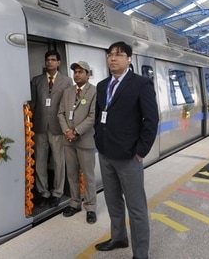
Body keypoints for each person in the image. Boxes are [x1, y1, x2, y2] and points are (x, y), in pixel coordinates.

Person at [93, 41, 159, 259]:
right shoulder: (102, 86)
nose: (113, 58)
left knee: (136, 207)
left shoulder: (141, 84)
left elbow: (151, 120)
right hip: (105, 153)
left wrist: (141, 150)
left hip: (129, 155)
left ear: (129, 59)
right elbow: (98, 116)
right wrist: (98, 139)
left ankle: (141, 254)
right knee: (112, 200)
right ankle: (119, 237)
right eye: (110, 54)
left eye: (119, 55)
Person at [30, 50, 73, 207]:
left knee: (58, 161)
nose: (50, 62)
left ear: (58, 63)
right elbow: (33, 104)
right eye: (47, 59)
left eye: (53, 60)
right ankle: (43, 192)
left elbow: (69, 106)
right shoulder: (36, 81)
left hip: (57, 127)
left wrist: (68, 127)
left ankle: (57, 192)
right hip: (40, 127)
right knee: (40, 161)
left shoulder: (67, 81)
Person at [57, 61, 97, 224]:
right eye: (75, 72)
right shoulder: (68, 92)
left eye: (81, 72)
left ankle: (91, 207)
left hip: (85, 140)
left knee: (88, 176)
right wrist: (67, 131)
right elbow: (60, 113)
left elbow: (93, 116)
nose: (77, 74)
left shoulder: (94, 91)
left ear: (88, 74)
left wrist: (76, 131)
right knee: (72, 174)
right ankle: (74, 203)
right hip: (68, 140)